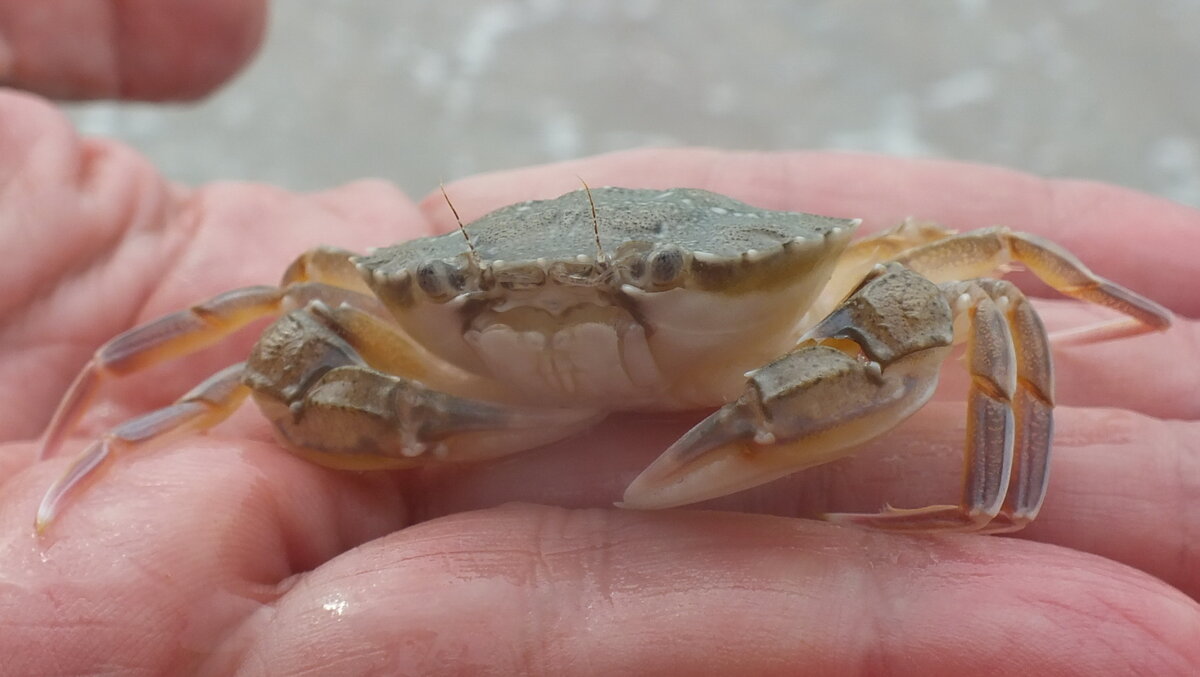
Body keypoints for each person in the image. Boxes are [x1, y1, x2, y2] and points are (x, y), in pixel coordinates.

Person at [0, 3, 1197, 674]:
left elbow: (980, 281)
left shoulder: (839, 280)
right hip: (479, 366)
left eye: (658, 284)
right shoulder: (356, 300)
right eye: (480, 295)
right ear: (435, 289)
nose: (574, 318)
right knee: (286, 324)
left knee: (974, 283)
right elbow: (280, 343)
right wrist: (120, 413)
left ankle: (999, 497)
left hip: (748, 346)